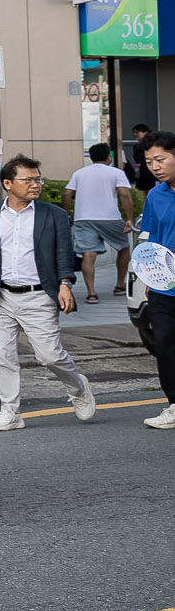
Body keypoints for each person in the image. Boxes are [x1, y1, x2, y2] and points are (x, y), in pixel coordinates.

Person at [0, 155, 94, 431]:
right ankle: (10, 411)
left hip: (39, 295)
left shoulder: (54, 214)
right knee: (4, 356)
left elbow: (64, 252)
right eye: (28, 180)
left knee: (49, 355)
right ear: (7, 184)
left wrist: (65, 284)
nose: (35, 185)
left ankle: (78, 385)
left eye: (38, 179)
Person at [137, 131, 175, 430]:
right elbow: (149, 237)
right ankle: (174, 404)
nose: (154, 166)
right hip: (164, 286)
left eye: (160, 159)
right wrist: (149, 275)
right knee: (164, 345)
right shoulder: (156, 195)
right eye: (150, 161)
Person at [66, 142, 136, 302]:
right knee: (124, 247)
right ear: (108, 157)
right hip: (110, 217)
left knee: (88, 254)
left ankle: (91, 293)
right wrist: (130, 218)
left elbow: (67, 193)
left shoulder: (79, 173)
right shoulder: (116, 173)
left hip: (83, 218)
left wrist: (66, 212)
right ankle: (119, 285)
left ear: (91, 157)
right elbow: (124, 194)